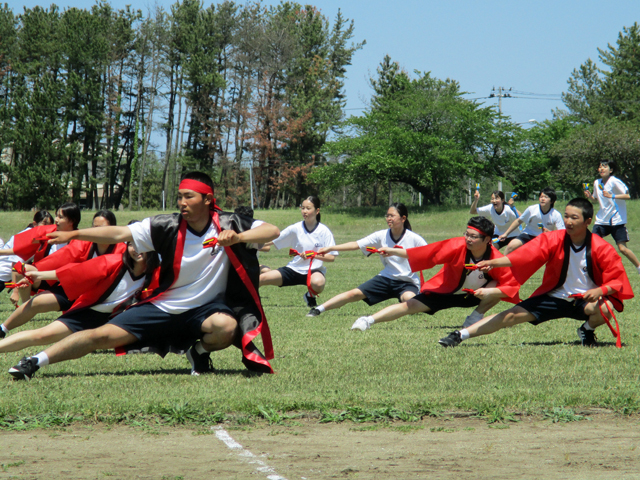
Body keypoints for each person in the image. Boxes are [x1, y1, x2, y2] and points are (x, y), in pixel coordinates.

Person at [7, 172, 280, 380]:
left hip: (206, 310)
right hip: (162, 306)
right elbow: (118, 233)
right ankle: (35, 362)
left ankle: (198, 352)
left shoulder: (230, 223)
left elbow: (272, 230)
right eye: (180, 196)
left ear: (208, 199)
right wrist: (74, 234)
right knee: (99, 336)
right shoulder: (167, 225)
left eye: (189, 196)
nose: (181, 202)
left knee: (227, 327)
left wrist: (238, 237)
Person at [438, 198, 634, 348]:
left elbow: (618, 281)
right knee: (509, 317)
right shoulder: (554, 239)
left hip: (584, 301)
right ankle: (460, 335)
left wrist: (600, 291)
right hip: (553, 297)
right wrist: (492, 262)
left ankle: (587, 330)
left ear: (588, 221)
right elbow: (522, 256)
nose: (568, 221)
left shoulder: (601, 248)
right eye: (566, 216)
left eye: (574, 217)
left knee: (606, 307)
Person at [350, 217, 520, 331]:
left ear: (487, 240)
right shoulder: (456, 246)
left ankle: (474, 317)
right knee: (410, 306)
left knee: (497, 286)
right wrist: (393, 251)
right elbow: (426, 253)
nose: (468, 239)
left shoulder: (496, 259)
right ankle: (368, 321)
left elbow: (510, 286)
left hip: (473, 296)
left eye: (473, 237)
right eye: (466, 234)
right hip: (444, 291)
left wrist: (488, 292)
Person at [4, 240, 158, 366]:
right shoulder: (112, 262)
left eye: (142, 244)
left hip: (116, 321)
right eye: (132, 244)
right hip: (89, 314)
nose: (136, 249)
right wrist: (39, 274)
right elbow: (76, 271)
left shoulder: (157, 273)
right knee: (41, 335)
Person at [0, 210, 124, 338]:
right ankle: (2, 329)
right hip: (76, 289)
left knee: (52, 334)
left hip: (102, 299)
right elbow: (61, 263)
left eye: (102, 228)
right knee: (37, 302)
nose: (97, 232)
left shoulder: (122, 251)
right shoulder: (82, 243)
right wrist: (37, 274)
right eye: (94, 228)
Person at [306, 203, 427, 317]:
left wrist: (395, 251)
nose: (389, 218)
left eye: (392, 216)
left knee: (409, 300)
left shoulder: (414, 238)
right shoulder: (381, 235)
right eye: (387, 216)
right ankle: (318, 309)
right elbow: (356, 244)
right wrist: (330, 248)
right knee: (354, 293)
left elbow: (428, 254)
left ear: (403, 218)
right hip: (386, 278)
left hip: (408, 282)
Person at [259, 196, 337, 307]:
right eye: (303, 208)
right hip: (293, 269)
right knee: (261, 279)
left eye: (308, 208)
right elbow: (273, 240)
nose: (304, 211)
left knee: (319, 283)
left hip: (313, 271)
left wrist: (313, 255)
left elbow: (331, 257)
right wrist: (250, 243)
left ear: (317, 211)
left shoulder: (324, 231)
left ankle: (310, 295)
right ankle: (245, 300)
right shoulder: (295, 228)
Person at [585, 159, 640, 274]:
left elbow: (628, 195)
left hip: (617, 220)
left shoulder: (614, 181)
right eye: (600, 167)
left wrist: (612, 195)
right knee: (591, 244)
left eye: (604, 166)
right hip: (601, 220)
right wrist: (590, 196)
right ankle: (590, 269)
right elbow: (595, 200)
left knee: (622, 248)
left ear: (611, 170)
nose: (601, 169)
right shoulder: (597, 182)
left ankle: (639, 267)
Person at [0, 210, 54, 303]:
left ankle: (26, 306)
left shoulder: (38, 237)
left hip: (8, 275)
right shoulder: (30, 238)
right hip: (3, 272)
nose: (47, 228)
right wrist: (15, 291)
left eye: (50, 225)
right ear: (34, 224)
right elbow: (16, 265)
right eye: (44, 224)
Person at [499, 187, 564, 254]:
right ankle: (502, 264)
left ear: (552, 201)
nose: (542, 199)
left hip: (545, 238)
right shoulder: (532, 209)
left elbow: (562, 233)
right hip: (528, 234)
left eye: (546, 197)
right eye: (541, 196)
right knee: (511, 246)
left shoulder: (556, 215)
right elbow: (519, 221)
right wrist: (505, 234)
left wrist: (550, 233)